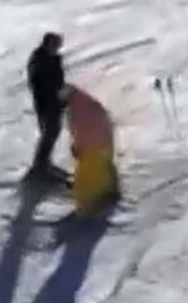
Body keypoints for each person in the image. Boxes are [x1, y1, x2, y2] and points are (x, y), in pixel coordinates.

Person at [64, 84, 121, 215]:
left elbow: (79, 133)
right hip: (104, 145)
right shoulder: (92, 104)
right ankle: (109, 193)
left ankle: (87, 207)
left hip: (90, 150)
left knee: (88, 179)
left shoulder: (74, 112)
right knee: (105, 171)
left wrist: (77, 147)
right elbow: (105, 122)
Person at [27, 32, 69, 184]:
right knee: (49, 132)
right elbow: (39, 83)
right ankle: (40, 165)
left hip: (54, 103)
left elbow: (58, 80)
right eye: (56, 44)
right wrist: (55, 93)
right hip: (46, 103)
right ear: (48, 43)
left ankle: (44, 163)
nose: (58, 48)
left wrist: (62, 94)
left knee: (53, 132)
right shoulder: (39, 60)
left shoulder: (52, 59)